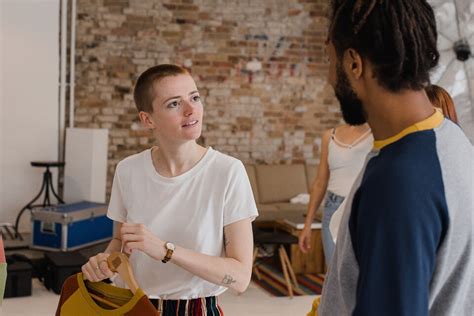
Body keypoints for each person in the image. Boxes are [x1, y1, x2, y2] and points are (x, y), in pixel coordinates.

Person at [318, 1, 474, 315]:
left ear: (353, 64)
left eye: (329, 59)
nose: (329, 77)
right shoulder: (452, 139)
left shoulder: (399, 180)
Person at [81, 64, 258, 315]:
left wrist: (166, 250)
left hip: (195, 309)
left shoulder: (228, 172)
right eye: (174, 103)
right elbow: (120, 242)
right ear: (147, 119)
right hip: (132, 306)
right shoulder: (128, 170)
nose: (191, 109)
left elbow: (240, 278)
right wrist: (104, 262)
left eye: (194, 97)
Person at [298, 123, 372, 264]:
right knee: (333, 270)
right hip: (333, 207)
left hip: (362, 208)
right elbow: (320, 182)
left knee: (358, 270)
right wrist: (307, 225)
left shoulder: (376, 133)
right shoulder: (329, 136)